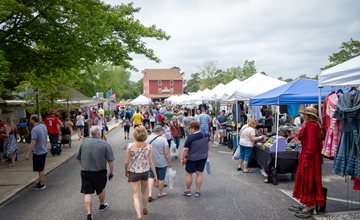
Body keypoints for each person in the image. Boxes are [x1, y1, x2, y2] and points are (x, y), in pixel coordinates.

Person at [291, 107, 325, 218]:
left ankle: (310, 204)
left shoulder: (311, 126)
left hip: (309, 156)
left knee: (308, 179)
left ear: (308, 115)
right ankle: (308, 203)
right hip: (309, 155)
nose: (302, 115)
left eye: (304, 114)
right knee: (306, 179)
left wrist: (306, 158)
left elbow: (311, 144)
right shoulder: (311, 125)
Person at [76, 125, 114, 220]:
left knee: (87, 192)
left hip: (85, 171)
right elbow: (110, 160)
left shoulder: (84, 142)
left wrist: (82, 166)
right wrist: (111, 172)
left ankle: (89, 214)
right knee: (101, 189)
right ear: (98, 133)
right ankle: (102, 205)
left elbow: (78, 157)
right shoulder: (104, 144)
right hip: (99, 172)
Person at [124, 126, 157, 220]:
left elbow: (126, 162)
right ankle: (145, 207)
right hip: (145, 172)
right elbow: (151, 162)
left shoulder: (130, 146)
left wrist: (126, 170)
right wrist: (155, 175)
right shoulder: (149, 146)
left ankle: (138, 215)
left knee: (135, 195)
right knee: (144, 191)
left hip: (133, 172)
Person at [180, 121, 209, 197]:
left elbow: (185, 150)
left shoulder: (190, 138)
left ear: (193, 128)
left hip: (191, 158)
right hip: (203, 157)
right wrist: (205, 152)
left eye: (190, 128)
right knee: (199, 174)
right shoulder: (205, 135)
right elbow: (208, 146)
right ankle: (197, 191)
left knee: (189, 174)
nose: (190, 130)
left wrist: (182, 159)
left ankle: (188, 191)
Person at [146, 125, 172, 202]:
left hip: (151, 161)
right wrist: (169, 162)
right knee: (161, 178)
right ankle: (160, 193)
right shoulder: (163, 140)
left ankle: (150, 194)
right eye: (162, 131)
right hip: (162, 162)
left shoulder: (148, 139)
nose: (163, 132)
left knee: (151, 176)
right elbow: (167, 153)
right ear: (159, 131)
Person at [25, 115, 48, 190]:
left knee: (40, 168)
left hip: (38, 151)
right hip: (44, 149)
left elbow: (33, 142)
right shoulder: (43, 126)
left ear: (33, 120)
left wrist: (28, 153)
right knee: (41, 168)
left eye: (30, 119)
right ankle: (41, 181)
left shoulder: (34, 129)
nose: (29, 121)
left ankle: (42, 184)